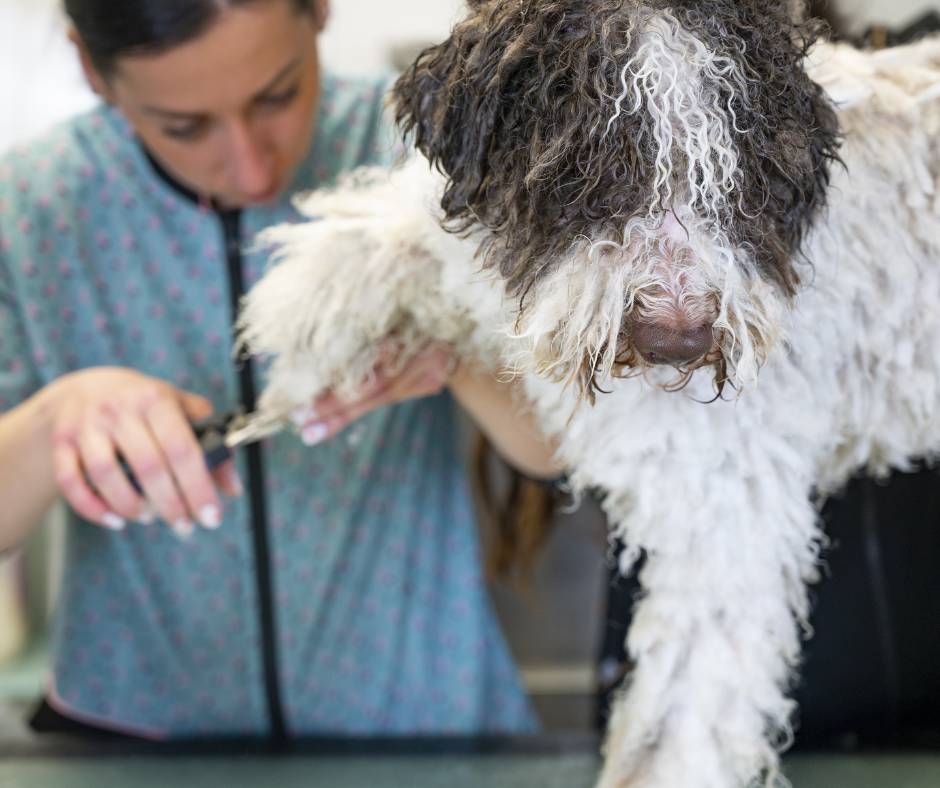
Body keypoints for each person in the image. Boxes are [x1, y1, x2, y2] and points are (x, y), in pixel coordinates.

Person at [0, 0, 560, 739]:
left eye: (278, 94)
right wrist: (52, 425)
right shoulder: (32, 211)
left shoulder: (424, 155)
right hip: (132, 736)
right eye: (183, 127)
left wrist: (452, 345)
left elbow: (560, 447)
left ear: (319, 12)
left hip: (420, 728)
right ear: (89, 70)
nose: (252, 167)